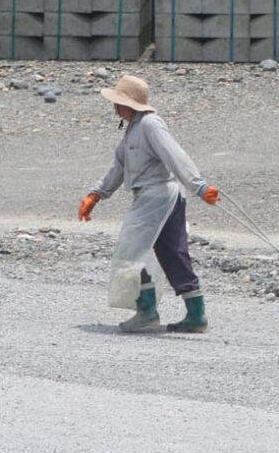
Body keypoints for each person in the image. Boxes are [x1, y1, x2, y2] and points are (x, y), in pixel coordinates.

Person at [79, 75, 220, 334]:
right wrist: (96, 194)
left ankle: (147, 311)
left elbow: (174, 154)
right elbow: (119, 168)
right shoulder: (132, 128)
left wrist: (199, 186)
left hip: (158, 196)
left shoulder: (151, 125)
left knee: (132, 250)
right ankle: (195, 314)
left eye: (118, 102)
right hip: (155, 197)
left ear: (129, 104)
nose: (114, 107)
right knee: (171, 251)